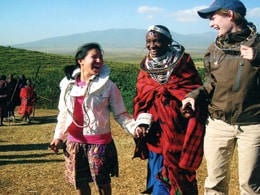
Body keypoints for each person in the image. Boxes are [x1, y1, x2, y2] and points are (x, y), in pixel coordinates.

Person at [49, 43, 153, 195]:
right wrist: (58, 137)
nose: (99, 60)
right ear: (81, 61)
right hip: (74, 143)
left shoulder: (108, 86)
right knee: (80, 183)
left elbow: (121, 114)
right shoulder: (67, 86)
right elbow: (63, 113)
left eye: (101, 57)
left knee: (103, 184)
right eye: (94, 57)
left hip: (99, 143)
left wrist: (133, 128)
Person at [182, 0, 260, 194]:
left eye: (213, 17)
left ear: (230, 15)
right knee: (214, 185)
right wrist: (193, 96)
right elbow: (211, 83)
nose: (211, 23)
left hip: (253, 126)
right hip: (218, 124)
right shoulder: (213, 49)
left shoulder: (258, 45)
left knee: (250, 187)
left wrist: (258, 58)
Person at [133, 25, 208, 195]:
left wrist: (187, 104)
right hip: (156, 131)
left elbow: (194, 89)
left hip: (178, 128)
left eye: (157, 41)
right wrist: (142, 122)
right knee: (157, 169)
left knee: (179, 169)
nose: (152, 45)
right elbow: (141, 98)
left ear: (168, 42)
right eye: (148, 42)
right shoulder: (146, 66)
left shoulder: (183, 63)